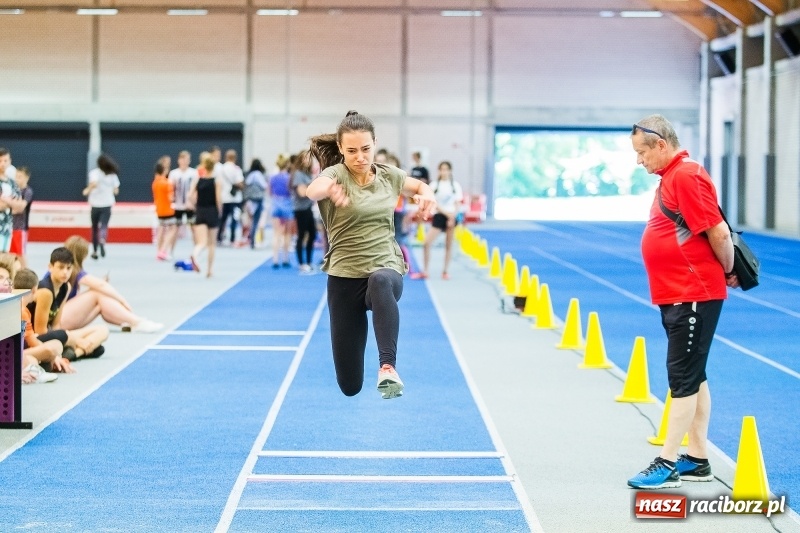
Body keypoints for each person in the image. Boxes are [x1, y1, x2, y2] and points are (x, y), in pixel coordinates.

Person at [627, 115, 738, 490]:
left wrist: (729, 270)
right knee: (694, 374)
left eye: (642, 152)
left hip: (693, 292)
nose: (639, 161)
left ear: (661, 144)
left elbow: (718, 231)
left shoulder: (686, 175)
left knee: (683, 378)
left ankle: (668, 461)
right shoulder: (672, 177)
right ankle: (699, 458)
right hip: (678, 292)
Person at [306, 110, 436, 400]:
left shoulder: (389, 175)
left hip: (386, 267)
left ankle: (388, 367)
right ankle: (361, 377)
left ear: (375, 143)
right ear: (340, 148)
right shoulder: (334, 175)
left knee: (380, 280)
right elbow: (313, 190)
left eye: (366, 149)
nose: (360, 157)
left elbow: (419, 185)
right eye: (352, 151)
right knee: (350, 386)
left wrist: (427, 194)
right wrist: (329, 188)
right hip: (344, 278)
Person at [62, 236, 163, 333]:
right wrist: (123, 301)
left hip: (63, 316)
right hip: (58, 320)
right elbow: (101, 285)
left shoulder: (67, 268)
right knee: (97, 294)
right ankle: (137, 322)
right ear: (83, 256)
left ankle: (130, 322)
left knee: (99, 305)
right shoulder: (70, 270)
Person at [27, 247, 109, 360]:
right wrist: (75, 340)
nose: (65, 272)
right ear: (50, 267)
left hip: (52, 334)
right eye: (61, 267)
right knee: (63, 335)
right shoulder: (45, 291)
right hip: (34, 338)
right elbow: (40, 331)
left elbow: (56, 325)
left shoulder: (66, 287)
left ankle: (75, 354)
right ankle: (76, 350)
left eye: (68, 268)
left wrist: (71, 340)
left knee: (102, 330)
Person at [15, 268, 73, 381]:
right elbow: (32, 341)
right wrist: (54, 356)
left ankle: (40, 364)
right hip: (18, 351)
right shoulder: (23, 311)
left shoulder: (19, 308)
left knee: (52, 349)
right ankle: (38, 364)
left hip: (19, 349)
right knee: (53, 347)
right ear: (34, 290)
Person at [412, 161, 463, 280]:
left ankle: (445, 271)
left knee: (448, 245)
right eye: (442, 169)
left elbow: (458, 203)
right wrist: (445, 213)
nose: (444, 172)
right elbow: (433, 202)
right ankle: (425, 270)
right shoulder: (434, 185)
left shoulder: (455, 185)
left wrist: (452, 216)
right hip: (440, 215)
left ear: (450, 171)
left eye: (446, 169)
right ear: (439, 171)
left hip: (451, 217)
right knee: (426, 243)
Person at [190, 153, 223, 277]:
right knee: (212, 243)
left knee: (201, 242)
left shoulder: (198, 180)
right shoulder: (216, 181)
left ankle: (195, 254)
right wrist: (220, 210)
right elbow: (218, 199)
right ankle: (209, 270)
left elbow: (190, 195)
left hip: (200, 210)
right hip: (212, 211)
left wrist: (195, 205)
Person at [82, 153, 120, 260]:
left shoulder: (94, 173)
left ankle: (95, 251)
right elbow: (116, 190)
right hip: (107, 203)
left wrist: (87, 190)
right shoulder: (112, 175)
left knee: (94, 227)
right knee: (104, 225)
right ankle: (102, 240)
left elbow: (93, 184)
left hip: (95, 204)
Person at [290, 150, 318, 273]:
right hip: (300, 209)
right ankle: (302, 263)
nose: (308, 160)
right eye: (305, 158)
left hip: (308, 207)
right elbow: (302, 193)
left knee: (312, 234)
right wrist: (313, 187)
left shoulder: (307, 174)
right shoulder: (298, 174)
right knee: (302, 235)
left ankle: (309, 261)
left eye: (309, 158)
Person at [169, 150, 198, 254]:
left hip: (190, 206)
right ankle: (170, 251)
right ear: (179, 160)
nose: (184, 161)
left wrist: (193, 202)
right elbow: (170, 189)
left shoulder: (193, 173)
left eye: (187, 159)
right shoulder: (174, 173)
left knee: (193, 228)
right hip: (178, 206)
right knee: (175, 229)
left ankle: (196, 252)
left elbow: (196, 190)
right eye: (183, 159)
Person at [269, 153, 294, 268]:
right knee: (287, 233)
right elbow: (291, 191)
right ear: (287, 164)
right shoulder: (289, 177)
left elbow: (269, 192)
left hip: (276, 204)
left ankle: (275, 259)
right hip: (287, 204)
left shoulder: (272, 177)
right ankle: (285, 258)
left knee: (276, 233)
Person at [0, 148, 25, 254]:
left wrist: (6, 201)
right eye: (0, 161)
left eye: (5, 160)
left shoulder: (12, 183)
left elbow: (20, 207)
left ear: (10, 161)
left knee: (5, 258)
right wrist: (11, 203)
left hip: (7, 228)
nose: (3, 164)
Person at [217, 149, 244, 245]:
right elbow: (240, 182)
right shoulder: (236, 169)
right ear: (235, 158)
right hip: (235, 199)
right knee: (234, 219)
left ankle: (219, 237)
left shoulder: (221, 169)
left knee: (222, 219)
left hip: (224, 198)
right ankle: (232, 238)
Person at [152, 162, 177, 260]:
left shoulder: (155, 182)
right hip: (167, 210)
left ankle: (159, 251)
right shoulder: (167, 183)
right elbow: (170, 198)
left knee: (161, 230)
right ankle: (163, 250)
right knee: (172, 229)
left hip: (159, 210)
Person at [10, 166, 33, 267]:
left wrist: (9, 207)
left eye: (20, 177)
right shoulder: (13, 190)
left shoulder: (27, 191)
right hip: (10, 227)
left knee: (20, 254)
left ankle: (26, 273)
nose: (17, 179)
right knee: (11, 254)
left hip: (20, 228)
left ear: (26, 178)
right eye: (16, 176)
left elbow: (20, 208)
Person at [243, 159, 267, 249]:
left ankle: (250, 239)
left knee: (250, 220)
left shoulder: (249, 175)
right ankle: (253, 241)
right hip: (257, 199)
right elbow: (264, 185)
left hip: (249, 200)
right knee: (256, 221)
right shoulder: (258, 174)